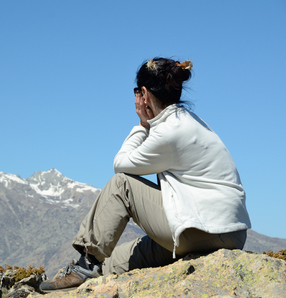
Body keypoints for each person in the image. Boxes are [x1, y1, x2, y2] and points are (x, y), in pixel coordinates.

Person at [39, 57, 251, 292]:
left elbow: (120, 165)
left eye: (136, 92)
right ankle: (91, 272)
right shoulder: (189, 122)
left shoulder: (170, 131)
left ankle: (86, 264)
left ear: (144, 94)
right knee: (115, 260)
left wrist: (142, 124)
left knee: (121, 185)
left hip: (202, 230)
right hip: (227, 232)